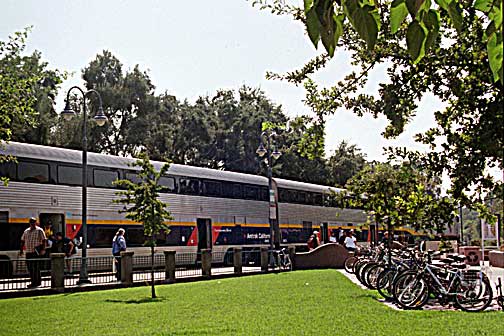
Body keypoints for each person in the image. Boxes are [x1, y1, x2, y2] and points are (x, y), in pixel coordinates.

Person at [19, 217, 47, 288]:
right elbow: (22, 240)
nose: (32, 224)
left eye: (34, 222)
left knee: (36, 268)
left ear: (36, 222)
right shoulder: (26, 231)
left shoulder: (39, 230)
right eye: (31, 222)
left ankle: (37, 282)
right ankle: (33, 281)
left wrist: (43, 249)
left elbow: (44, 240)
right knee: (30, 268)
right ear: (29, 223)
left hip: (35, 252)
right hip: (28, 252)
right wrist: (21, 250)